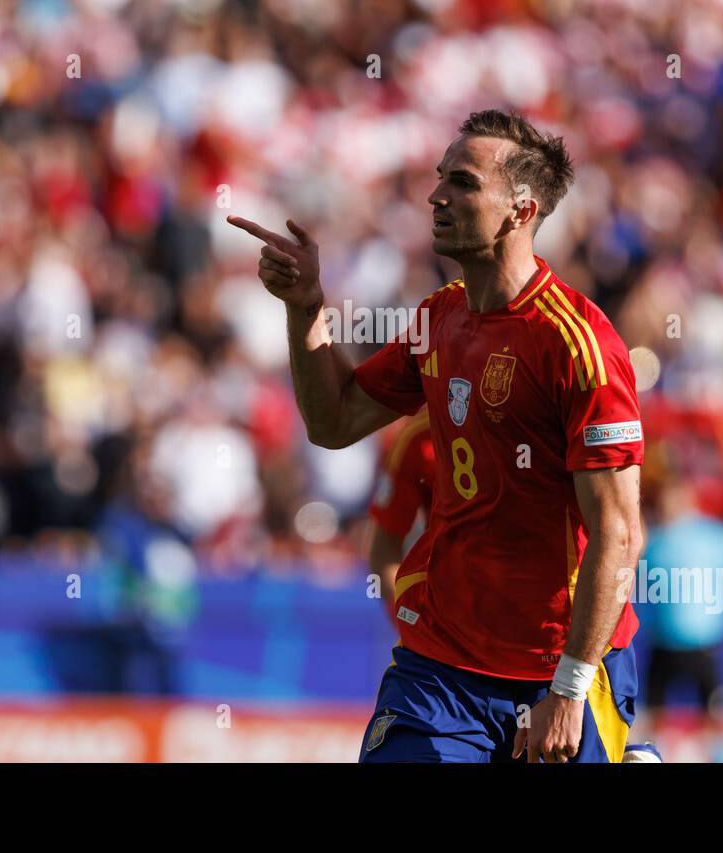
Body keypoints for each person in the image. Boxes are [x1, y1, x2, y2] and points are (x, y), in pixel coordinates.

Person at [230, 109, 646, 763]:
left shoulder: (577, 344)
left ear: (520, 209)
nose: (436, 195)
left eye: (462, 182)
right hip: (441, 666)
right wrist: (306, 308)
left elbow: (620, 534)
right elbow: (333, 421)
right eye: (438, 178)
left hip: (562, 665)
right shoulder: (439, 317)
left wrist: (569, 686)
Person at [364, 414, 434, 625]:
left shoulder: (533, 431)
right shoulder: (418, 437)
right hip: (450, 620)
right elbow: (384, 546)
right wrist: (409, 619)